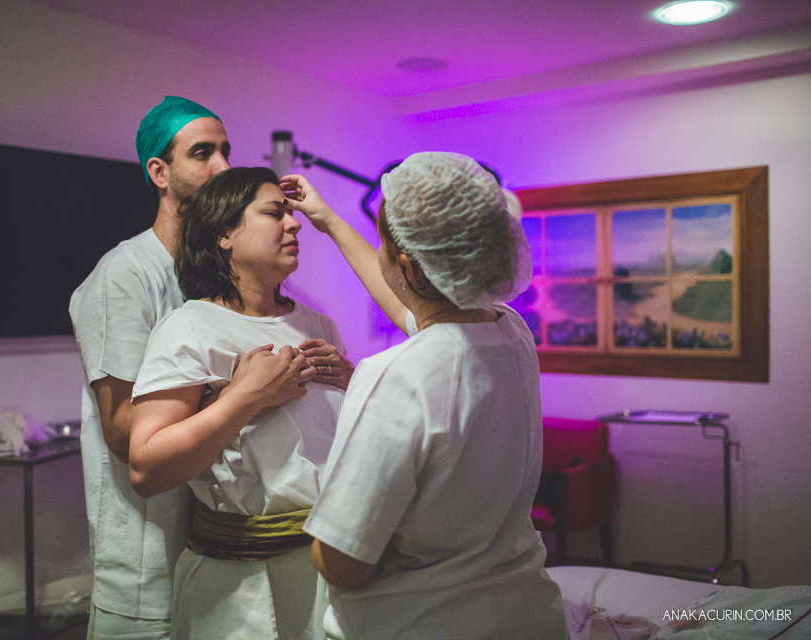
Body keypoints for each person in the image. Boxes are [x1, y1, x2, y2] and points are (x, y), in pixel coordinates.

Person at [284, 152, 570, 639]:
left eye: (383, 244)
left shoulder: (394, 374)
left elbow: (342, 563)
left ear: (410, 268)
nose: (378, 251)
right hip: (522, 615)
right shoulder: (511, 333)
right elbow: (419, 311)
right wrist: (329, 221)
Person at [129, 166, 353, 640]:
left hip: (329, 568)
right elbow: (146, 470)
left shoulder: (318, 325)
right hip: (239, 585)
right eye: (275, 213)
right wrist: (248, 397)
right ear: (224, 234)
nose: (294, 224)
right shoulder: (189, 328)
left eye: (292, 215)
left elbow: (331, 444)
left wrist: (355, 385)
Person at [69, 96, 232, 639]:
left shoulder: (209, 278)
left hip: (206, 549)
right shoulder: (125, 275)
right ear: (159, 173)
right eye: (203, 153)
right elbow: (123, 431)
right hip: (145, 564)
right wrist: (243, 394)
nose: (222, 168)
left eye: (226, 152)